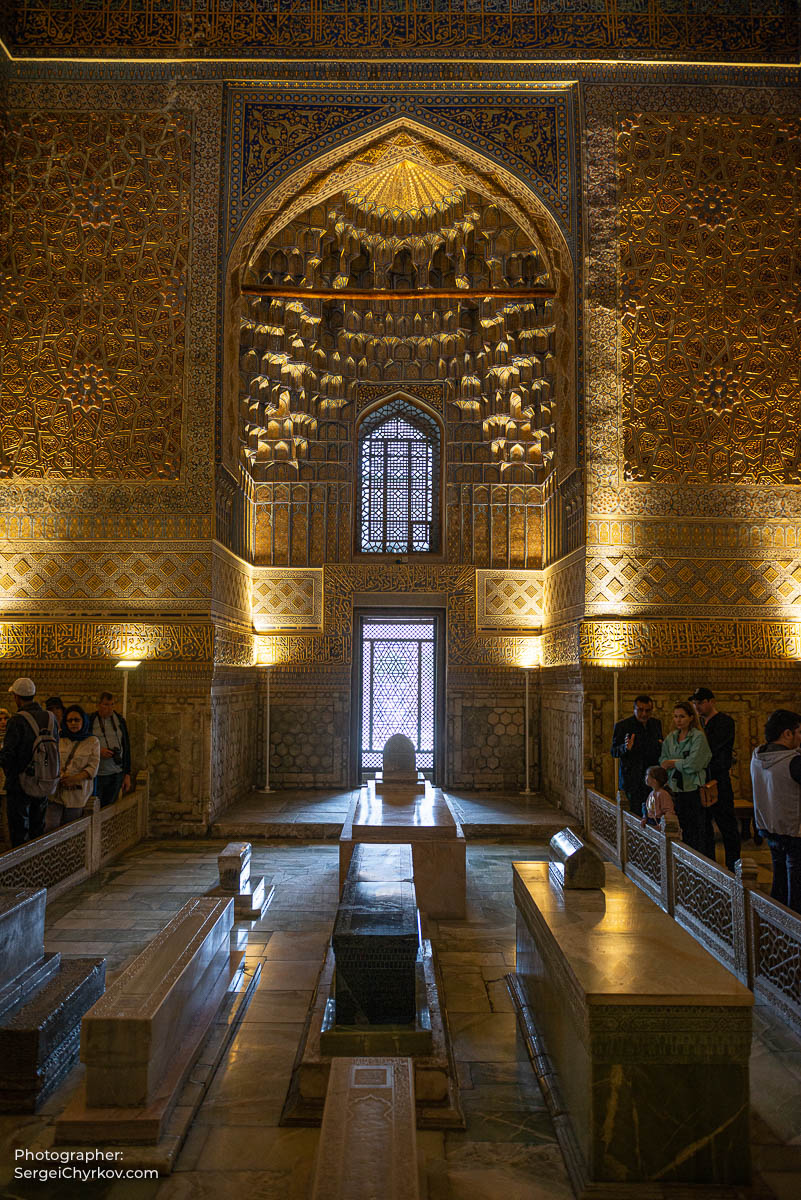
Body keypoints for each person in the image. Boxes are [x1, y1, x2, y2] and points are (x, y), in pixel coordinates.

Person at [750, 709, 801, 914]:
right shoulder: (793, 762)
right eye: (799, 732)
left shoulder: (758, 755)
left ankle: (773, 926)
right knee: (796, 889)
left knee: (779, 881)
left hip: (769, 828)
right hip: (794, 831)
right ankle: (793, 935)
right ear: (787, 734)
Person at [0, 678, 60, 847]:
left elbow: (9, 754)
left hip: (20, 784)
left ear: (16, 697)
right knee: (37, 828)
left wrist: (9, 774)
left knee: (19, 831)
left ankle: (20, 869)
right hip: (44, 781)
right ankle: (37, 865)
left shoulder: (17, 720)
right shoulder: (51, 718)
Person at [689, 686, 741, 871]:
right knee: (704, 826)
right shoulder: (699, 725)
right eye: (695, 704)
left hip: (718, 780)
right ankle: (709, 865)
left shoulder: (724, 722)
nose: (697, 707)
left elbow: (710, 749)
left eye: (701, 703)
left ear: (711, 701)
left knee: (726, 824)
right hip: (700, 781)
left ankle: (734, 866)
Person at [660, 701, 711, 854]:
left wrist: (674, 763)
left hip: (692, 789)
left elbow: (694, 764)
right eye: (676, 717)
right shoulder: (671, 738)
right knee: (677, 828)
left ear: (690, 718)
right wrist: (677, 763)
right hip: (674, 788)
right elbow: (663, 760)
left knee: (693, 830)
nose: (678, 720)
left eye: (682, 716)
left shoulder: (698, 737)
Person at [46, 705, 100, 832]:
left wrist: (74, 779)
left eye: (77, 720)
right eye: (69, 720)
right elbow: (52, 760)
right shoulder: (59, 738)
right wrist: (61, 775)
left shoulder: (92, 741)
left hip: (77, 794)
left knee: (71, 830)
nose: (73, 723)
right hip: (56, 792)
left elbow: (93, 767)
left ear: (83, 721)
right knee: (50, 828)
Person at [610, 695, 663, 815]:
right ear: (634, 709)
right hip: (632, 781)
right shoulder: (622, 726)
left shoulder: (656, 724)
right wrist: (625, 748)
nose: (644, 714)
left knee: (652, 814)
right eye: (640, 710)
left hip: (652, 780)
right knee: (634, 815)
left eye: (648, 710)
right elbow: (613, 751)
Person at [89, 692, 131, 808]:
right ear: (98, 705)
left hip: (116, 773)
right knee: (95, 807)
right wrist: (99, 751)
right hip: (98, 774)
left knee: (109, 808)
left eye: (112, 704)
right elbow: (85, 745)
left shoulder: (119, 721)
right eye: (106, 705)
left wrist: (127, 774)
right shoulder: (91, 721)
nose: (110, 708)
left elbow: (126, 747)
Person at [641, 764, 676, 828]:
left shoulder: (663, 794)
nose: (645, 777)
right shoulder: (652, 793)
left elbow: (669, 811)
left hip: (658, 823)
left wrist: (662, 824)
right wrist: (645, 818)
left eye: (647, 775)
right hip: (651, 822)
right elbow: (647, 808)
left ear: (655, 780)